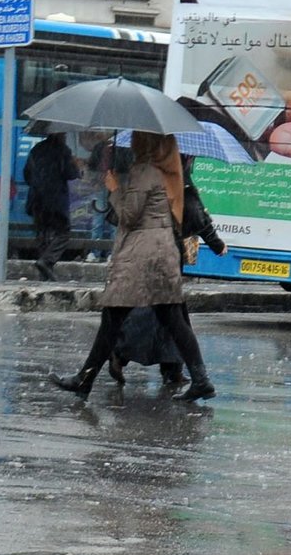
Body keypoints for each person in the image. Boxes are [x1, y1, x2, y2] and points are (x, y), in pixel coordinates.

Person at [48, 133, 215, 402]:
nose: (133, 142)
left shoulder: (145, 171)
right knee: (171, 320)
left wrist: (114, 188)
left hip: (141, 257)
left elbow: (129, 216)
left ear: (147, 143)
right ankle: (201, 379)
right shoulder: (169, 172)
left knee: (113, 320)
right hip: (161, 254)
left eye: (138, 137)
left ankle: (84, 379)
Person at [107, 156, 229, 389]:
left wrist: (115, 191)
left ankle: (171, 367)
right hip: (164, 257)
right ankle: (123, 354)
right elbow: (197, 217)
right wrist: (216, 244)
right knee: (161, 315)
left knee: (164, 314)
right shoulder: (179, 182)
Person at [24, 132, 80, 281]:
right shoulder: (63, 150)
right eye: (64, 134)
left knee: (43, 234)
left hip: (37, 200)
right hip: (55, 200)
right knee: (63, 232)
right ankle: (46, 261)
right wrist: (75, 165)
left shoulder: (36, 149)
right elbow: (71, 173)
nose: (65, 136)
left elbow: (27, 175)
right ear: (60, 135)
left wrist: (39, 183)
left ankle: (44, 274)